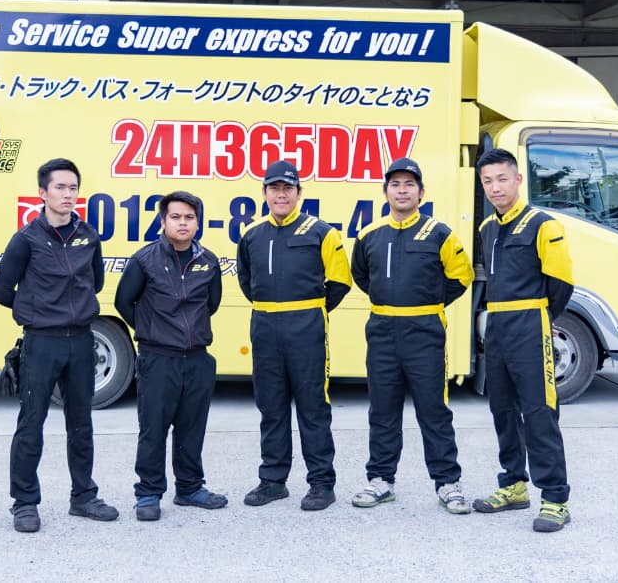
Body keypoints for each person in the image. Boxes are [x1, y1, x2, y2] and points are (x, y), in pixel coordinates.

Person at [0, 158, 119, 533]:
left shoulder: (88, 236)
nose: (68, 194)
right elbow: (2, 290)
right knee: (31, 423)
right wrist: (36, 311)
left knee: (81, 423)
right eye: (60, 187)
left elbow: (95, 282)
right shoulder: (26, 239)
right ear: (42, 193)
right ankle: (24, 503)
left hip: (81, 340)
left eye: (73, 188)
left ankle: (84, 497)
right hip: (41, 342)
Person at [349, 158, 475, 514]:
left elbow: (461, 276)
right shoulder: (370, 234)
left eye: (409, 184)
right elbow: (361, 275)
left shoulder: (439, 233)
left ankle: (448, 483)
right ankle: (381, 480)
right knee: (382, 410)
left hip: (425, 333)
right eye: (395, 184)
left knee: (433, 411)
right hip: (382, 332)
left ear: (421, 192)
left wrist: (428, 301)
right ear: (385, 191)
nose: (402, 190)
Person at [237, 160, 352, 511]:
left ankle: (321, 483)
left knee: (312, 407)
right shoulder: (252, 236)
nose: (281, 194)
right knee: (271, 407)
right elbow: (246, 281)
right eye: (274, 188)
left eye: (288, 188)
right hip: (265, 328)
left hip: (307, 329)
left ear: (299, 193)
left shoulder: (322, 233)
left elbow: (340, 281)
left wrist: (309, 311)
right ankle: (273, 481)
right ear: (264, 193)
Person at [473, 148, 575, 532]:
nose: (495, 187)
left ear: (518, 180)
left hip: (531, 324)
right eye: (488, 181)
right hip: (497, 325)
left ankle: (555, 499)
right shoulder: (486, 229)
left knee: (538, 412)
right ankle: (514, 486)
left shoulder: (543, 225)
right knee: (502, 409)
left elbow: (561, 283)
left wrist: (539, 319)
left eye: (502, 179)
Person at [114, 191, 228, 521]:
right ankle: (148, 493)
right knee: (154, 429)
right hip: (158, 358)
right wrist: (152, 329)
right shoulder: (144, 260)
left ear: (197, 223)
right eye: (175, 217)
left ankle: (190, 488)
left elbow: (211, 304)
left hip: (197, 359)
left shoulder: (209, 261)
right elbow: (124, 302)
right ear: (163, 221)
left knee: (191, 428)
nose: (182, 223)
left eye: (189, 218)